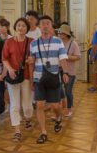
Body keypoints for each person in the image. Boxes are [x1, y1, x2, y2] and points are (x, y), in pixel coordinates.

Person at [29, 15, 70, 144]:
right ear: (39, 26)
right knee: (40, 105)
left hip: (53, 77)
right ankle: (43, 132)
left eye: (48, 23)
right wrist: (31, 80)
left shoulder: (58, 42)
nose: (45, 26)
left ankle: (58, 117)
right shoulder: (34, 43)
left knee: (55, 105)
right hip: (38, 77)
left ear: (51, 26)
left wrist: (65, 72)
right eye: (43, 23)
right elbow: (31, 62)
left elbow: (63, 58)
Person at [2, 17, 34, 141]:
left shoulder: (32, 42)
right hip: (13, 76)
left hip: (26, 76)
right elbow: (4, 58)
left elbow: (36, 57)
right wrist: (10, 69)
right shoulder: (9, 42)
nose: (21, 28)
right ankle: (17, 131)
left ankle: (28, 118)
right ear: (15, 27)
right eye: (19, 25)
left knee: (27, 105)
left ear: (27, 28)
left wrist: (32, 59)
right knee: (14, 105)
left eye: (23, 26)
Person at [57, 23, 81, 118]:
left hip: (70, 71)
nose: (60, 34)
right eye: (60, 32)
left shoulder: (73, 43)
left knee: (68, 90)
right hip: (58, 70)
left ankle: (69, 108)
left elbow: (78, 57)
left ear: (67, 34)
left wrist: (66, 57)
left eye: (62, 33)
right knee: (58, 89)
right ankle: (61, 105)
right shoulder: (58, 42)